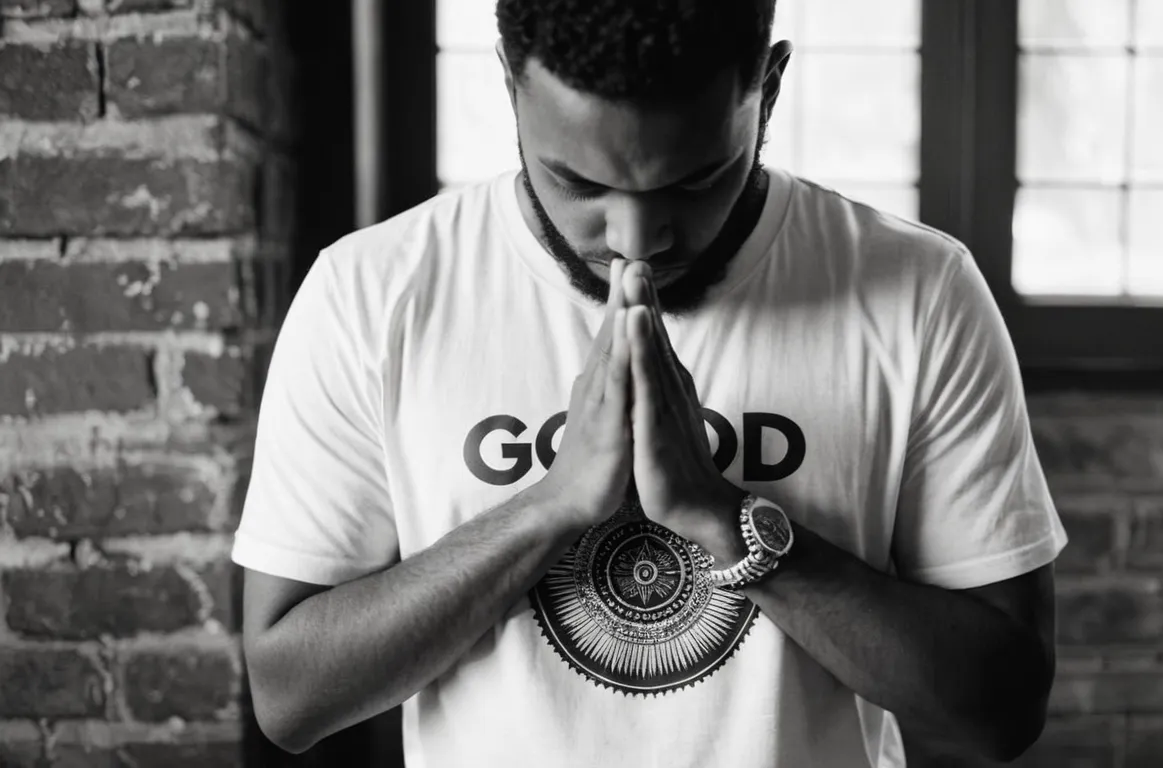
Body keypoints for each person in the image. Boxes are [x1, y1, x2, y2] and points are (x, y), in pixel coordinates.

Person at [232, 0, 1068, 765]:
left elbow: (1001, 710)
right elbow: (288, 697)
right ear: (509, 82)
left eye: (694, 181)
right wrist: (550, 509)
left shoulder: (917, 291)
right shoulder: (372, 293)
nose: (635, 239)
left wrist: (722, 518)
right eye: (579, 183)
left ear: (767, 91)